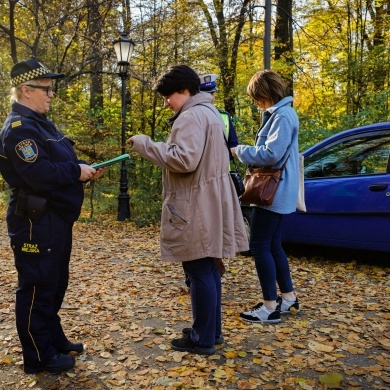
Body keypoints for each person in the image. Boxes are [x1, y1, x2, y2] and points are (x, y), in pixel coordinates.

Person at [128, 64, 248, 355]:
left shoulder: (192, 116)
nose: (166, 102)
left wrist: (146, 144)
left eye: (169, 96)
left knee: (199, 269)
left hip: (197, 204)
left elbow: (184, 161)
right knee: (207, 268)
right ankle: (210, 331)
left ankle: (202, 337)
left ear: (184, 90)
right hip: (207, 200)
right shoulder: (208, 112)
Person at [0, 59, 105, 374]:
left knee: (55, 283)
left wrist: (82, 167)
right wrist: (76, 171)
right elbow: (40, 174)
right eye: (47, 89)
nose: (52, 95)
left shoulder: (42, 123)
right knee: (37, 286)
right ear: (26, 90)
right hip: (35, 221)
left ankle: (52, 338)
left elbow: (57, 160)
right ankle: (38, 355)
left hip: (54, 219)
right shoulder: (20, 129)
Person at [231, 69, 300, 323]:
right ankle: (289, 298)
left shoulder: (281, 116)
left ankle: (270, 306)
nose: (255, 102)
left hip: (271, 192)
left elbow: (271, 154)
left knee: (259, 245)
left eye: (256, 97)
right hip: (278, 191)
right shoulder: (281, 114)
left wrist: (239, 151)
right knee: (273, 245)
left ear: (265, 93)